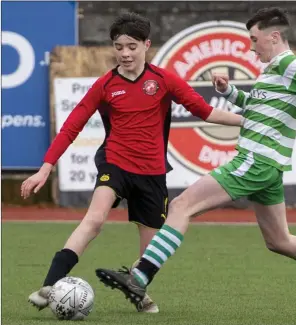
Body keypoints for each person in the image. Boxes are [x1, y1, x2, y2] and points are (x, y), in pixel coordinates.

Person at [96, 7, 296, 319]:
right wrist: (230, 92)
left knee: (182, 205)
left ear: (274, 36)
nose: (251, 46)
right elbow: (256, 108)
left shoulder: (291, 64)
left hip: (256, 161)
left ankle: (138, 278)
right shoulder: (274, 71)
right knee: (280, 241)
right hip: (268, 167)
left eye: (255, 39)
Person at [22, 12, 244, 314]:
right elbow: (72, 125)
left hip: (152, 173)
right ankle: (50, 285)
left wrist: (247, 122)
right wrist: (46, 166)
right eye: (118, 46)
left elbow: (205, 112)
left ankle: (139, 291)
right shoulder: (105, 85)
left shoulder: (164, 80)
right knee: (95, 219)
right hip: (115, 164)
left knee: (150, 248)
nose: (124, 53)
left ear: (146, 45)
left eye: (131, 46)